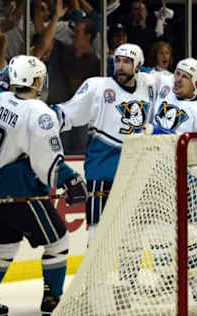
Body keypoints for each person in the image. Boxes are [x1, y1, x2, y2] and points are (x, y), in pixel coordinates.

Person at [0, 55, 88, 316]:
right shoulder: (38, 112)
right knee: (58, 240)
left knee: (4, 246)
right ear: (35, 80)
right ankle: (52, 300)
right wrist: (69, 178)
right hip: (20, 192)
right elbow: (47, 160)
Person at [52, 43, 156, 246]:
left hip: (135, 173)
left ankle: (129, 277)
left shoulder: (150, 84)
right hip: (102, 174)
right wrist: (43, 120)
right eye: (117, 60)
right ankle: (93, 277)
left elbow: (176, 86)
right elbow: (70, 112)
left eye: (127, 62)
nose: (120, 66)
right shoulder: (98, 87)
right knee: (97, 233)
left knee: (132, 232)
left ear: (137, 66)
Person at [150, 57, 197, 302]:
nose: (178, 79)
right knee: (158, 231)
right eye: (177, 74)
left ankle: (195, 278)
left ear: (196, 83)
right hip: (156, 174)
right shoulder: (166, 93)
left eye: (184, 76)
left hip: (185, 177)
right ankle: (166, 278)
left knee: (188, 232)